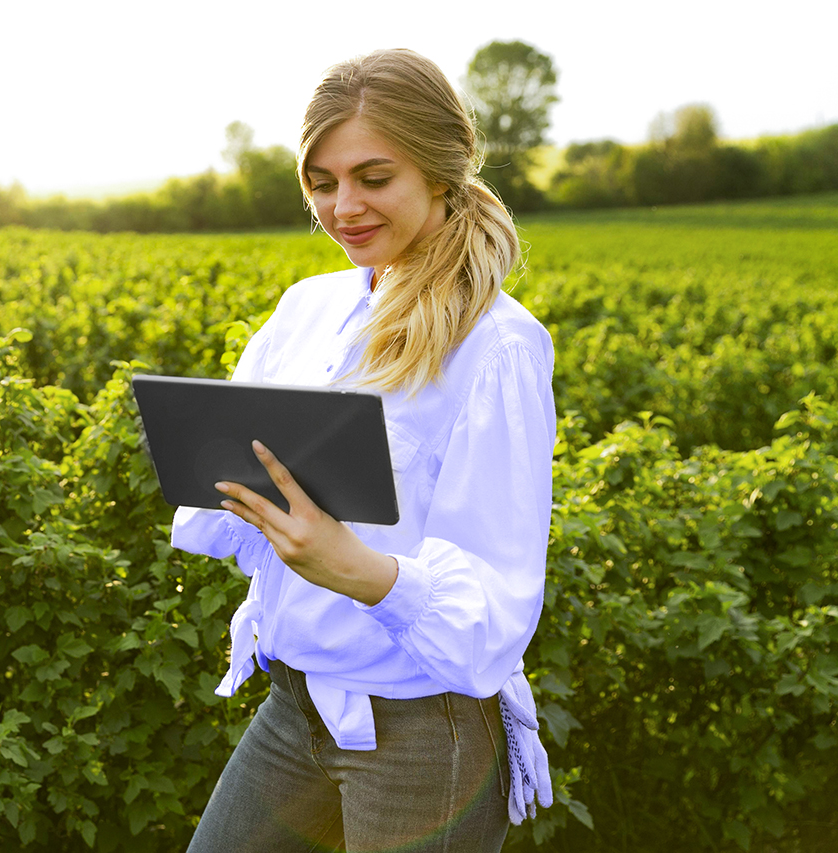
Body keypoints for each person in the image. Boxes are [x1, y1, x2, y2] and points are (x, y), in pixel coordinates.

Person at [171, 49, 554, 852]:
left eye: (373, 178)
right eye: (322, 182)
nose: (343, 206)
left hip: (422, 731)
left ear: (442, 175)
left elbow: (495, 606)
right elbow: (240, 489)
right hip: (295, 707)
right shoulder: (307, 308)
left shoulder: (499, 346)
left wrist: (354, 567)